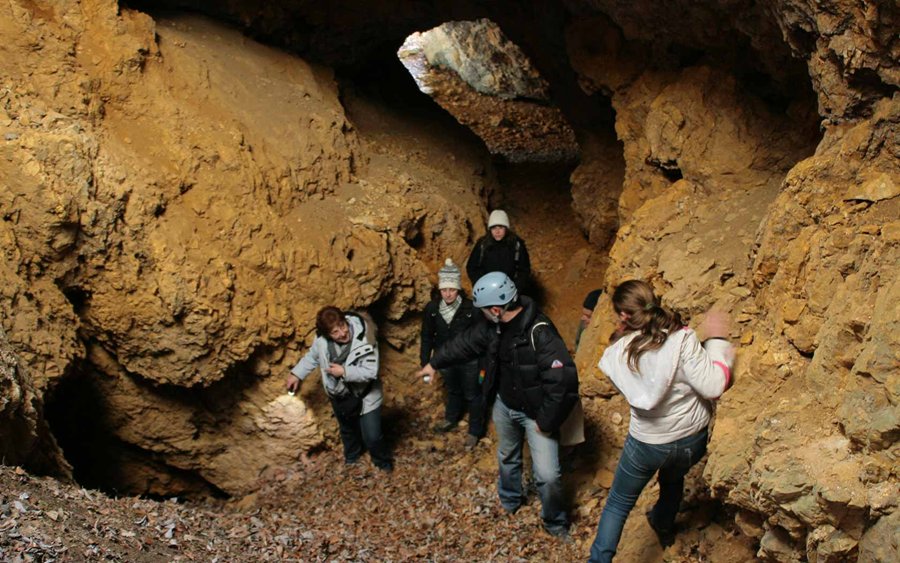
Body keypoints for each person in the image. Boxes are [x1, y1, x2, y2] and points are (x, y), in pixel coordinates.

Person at [416, 272, 579, 539]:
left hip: (537, 415)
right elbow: (465, 343)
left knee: (548, 475)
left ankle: (555, 523)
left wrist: (545, 422)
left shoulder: (540, 332)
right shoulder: (493, 325)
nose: (480, 314)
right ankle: (510, 501)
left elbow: (564, 383)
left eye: (484, 310)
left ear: (496, 308)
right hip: (505, 405)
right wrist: (434, 363)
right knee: (507, 456)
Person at [588, 280, 734, 562]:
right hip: (691, 439)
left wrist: (621, 336)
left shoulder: (618, 355)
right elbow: (714, 386)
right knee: (673, 478)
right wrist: (716, 342)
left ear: (623, 316)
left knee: (618, 504)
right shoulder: (682, 340)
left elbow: (635, 365)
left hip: (647, 444)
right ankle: (663, 524)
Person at [286, 306, 393, 471]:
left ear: (346, 320)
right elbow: (313, 357)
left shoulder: (366, 337)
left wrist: (344, 372)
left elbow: (371, 371)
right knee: (347, 430)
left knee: (372, 435)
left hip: (366, 393)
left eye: (343, 326)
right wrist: (297, 374)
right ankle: (352, 459)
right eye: (335, 332)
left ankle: (383, 464)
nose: (342, 333)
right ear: (327, 334)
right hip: (339, 394)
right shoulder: (321, 341)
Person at [420, 258, 484, 449]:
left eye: (452, 289)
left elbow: (481, 336)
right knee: (453, 390)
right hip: (445, 359)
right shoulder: (432, 309)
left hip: (469, 360)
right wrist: (425, 362)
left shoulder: (471, 309)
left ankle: (474, 431)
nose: (448, 294)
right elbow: (426, 336)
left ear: (458, 289)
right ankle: (451, 418)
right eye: (444, 290)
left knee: (473, 394)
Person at [466, 210, 532, 291]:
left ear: (506, 228)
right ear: (490, 229)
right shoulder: (482, 245)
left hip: (509, 289)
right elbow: (472, 267)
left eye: (501, 227)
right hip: (487, 289)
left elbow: (524, 270)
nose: (497, 232)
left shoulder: (516, 245)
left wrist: (515, 288)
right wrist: (482, 284)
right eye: (494, 228)